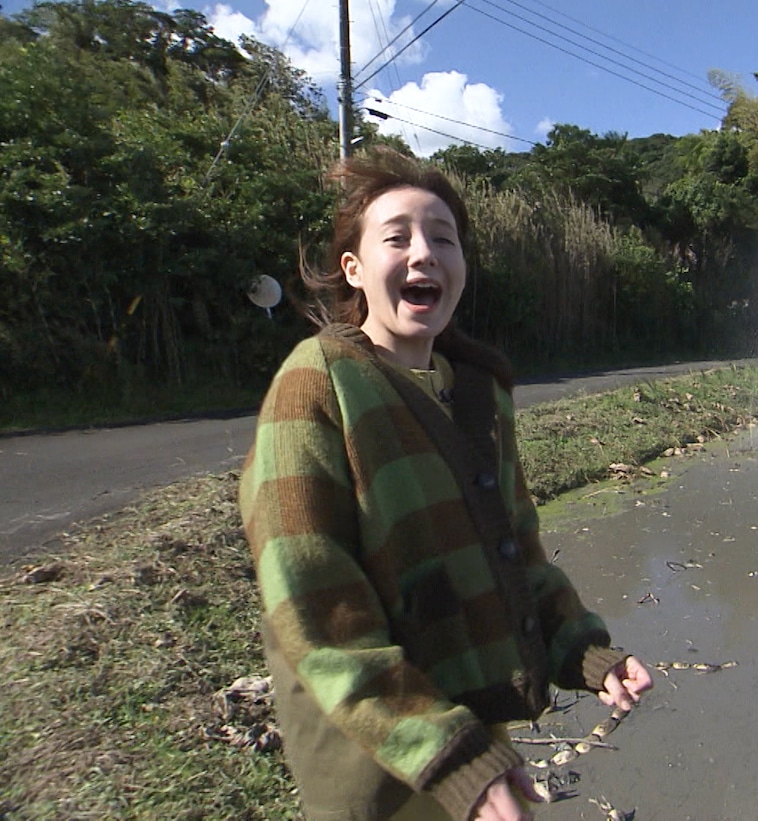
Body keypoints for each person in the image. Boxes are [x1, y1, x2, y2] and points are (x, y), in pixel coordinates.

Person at [239, 147, 652, 821]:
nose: (424, 252)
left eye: (443, 238)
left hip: (472, 715)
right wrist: (452, 757)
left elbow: (518, 553)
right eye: (397, 237)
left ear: (461, 269)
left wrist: (586, 649)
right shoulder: (316, 381)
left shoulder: (480, 391)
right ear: (355, 268)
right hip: (374, 751)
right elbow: (313, 601)